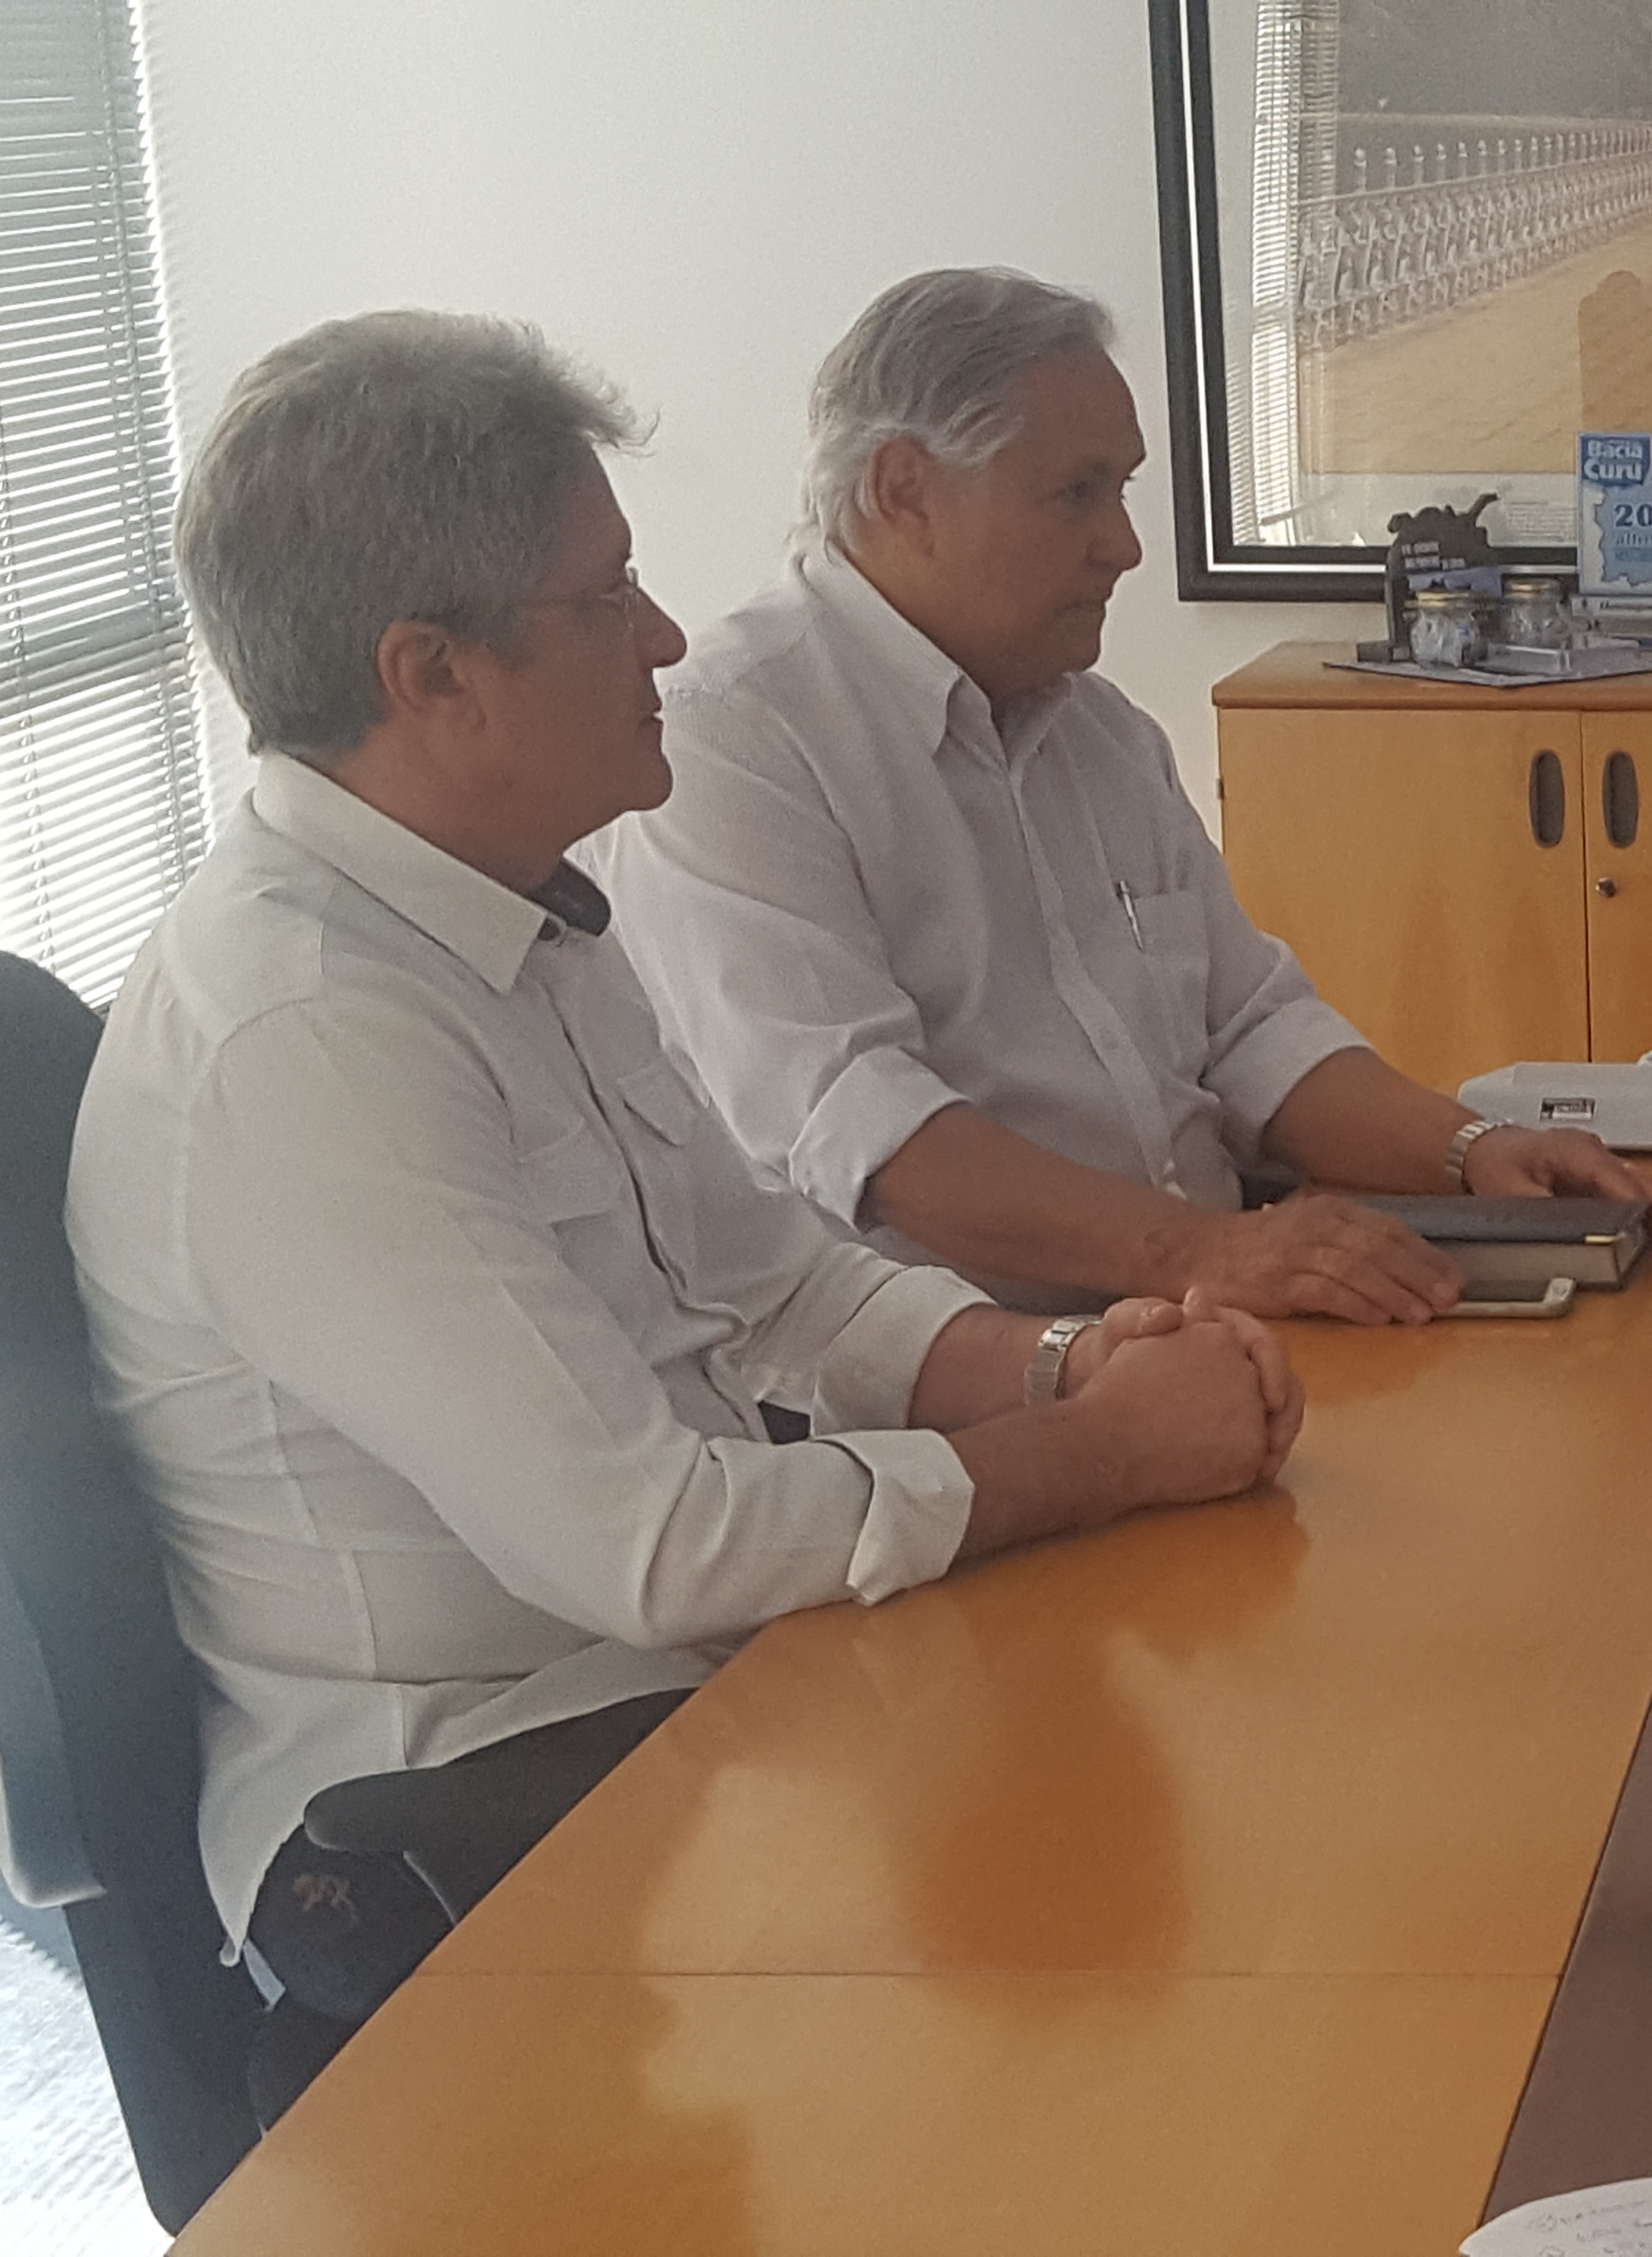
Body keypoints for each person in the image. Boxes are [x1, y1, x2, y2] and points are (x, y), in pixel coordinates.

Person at [67, 313, 1302, 2017]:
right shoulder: (307, 1030)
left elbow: (784, 1289)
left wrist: (1065, 1361)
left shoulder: (513, 905)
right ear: (433, 674)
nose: (661, 634)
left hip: (679, 1696)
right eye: (605, 599)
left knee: (1218, 1801)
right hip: (464, 1808)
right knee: (1121, 1945)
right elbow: (647, 1543)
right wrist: (1099, 1451)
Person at [593, 269, 1652, 1323]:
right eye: (1076, 495)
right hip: (954, 1393)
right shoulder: (730, 739)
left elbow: (1251, 1030)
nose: (1123, 548)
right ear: (904, 491)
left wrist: (1471, 1152)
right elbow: (868, 1135)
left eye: (1120, 491)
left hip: (1202, 1323)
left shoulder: (1099, 729)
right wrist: (1207, 1255)